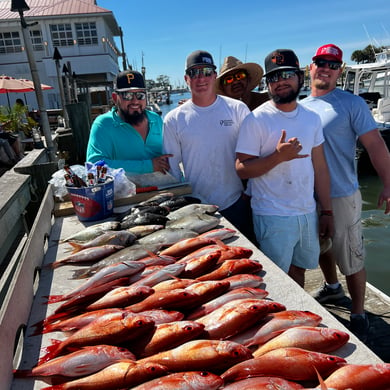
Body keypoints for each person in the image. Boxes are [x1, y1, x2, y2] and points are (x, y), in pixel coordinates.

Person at [301, 44, 390, 342]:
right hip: (307, 197)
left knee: (351, 255)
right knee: (323, 248)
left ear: (340, 71)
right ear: (310, 67)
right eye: (320, 62)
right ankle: (332, 287)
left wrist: (388, 183)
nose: (325, 68)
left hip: (342, 194)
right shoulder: (299, 107)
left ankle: (359, 313)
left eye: (333, 64)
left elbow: (376, 145)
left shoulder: (352, 104)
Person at [235, 49, 333, 288]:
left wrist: (327, 212)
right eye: (273, 77)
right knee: (278, 278)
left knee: (300, 269)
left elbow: (319, 167)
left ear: (299, 77)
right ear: (268, 84)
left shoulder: (311, 118)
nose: (280, 82)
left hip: (307, 211)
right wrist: (278, 157)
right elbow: (241, 169)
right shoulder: (255, 120)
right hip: (272, 215)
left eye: (286, 74)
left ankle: (298, 312)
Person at [163, 50, 254, 240]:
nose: (201, 78)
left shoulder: (237, 109)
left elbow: (253, 155)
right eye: (194, 73)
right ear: (186, 79)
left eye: (206, 71)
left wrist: (249, 195)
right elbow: (173, 171)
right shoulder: (173, 119)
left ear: (214, 76)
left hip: (237, 202)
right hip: (197, 210)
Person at [86, 70, 171, 175]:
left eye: (140, 95)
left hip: (164, 187)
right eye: (127, 95)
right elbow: (95, 166)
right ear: (115, 98)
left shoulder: (156, 119)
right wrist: (149, 166)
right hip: (127, 190)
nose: (135, 101)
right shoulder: (103, 124)